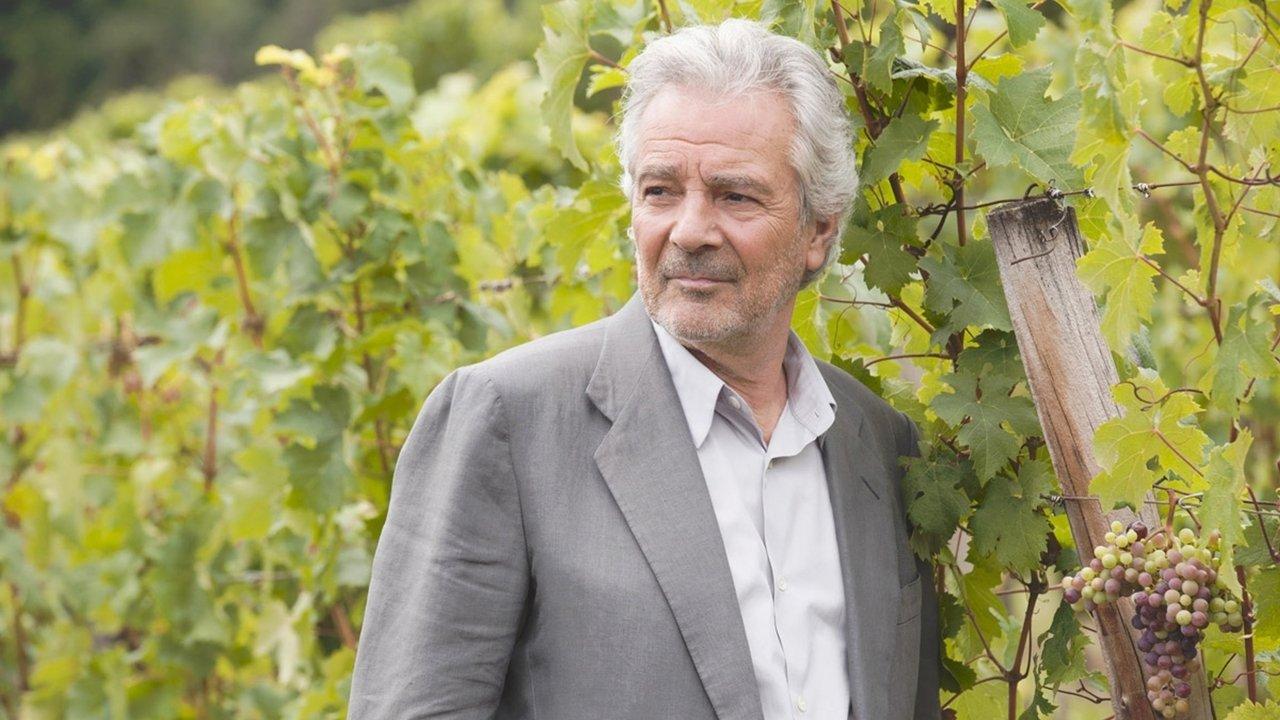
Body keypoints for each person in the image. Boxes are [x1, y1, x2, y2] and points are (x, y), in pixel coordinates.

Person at [347, 17, 940, 720]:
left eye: (735, 195)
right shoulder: (507, 417)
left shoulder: (876, 441)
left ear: (819, 229)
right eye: (660, 191)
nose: (689, 231)